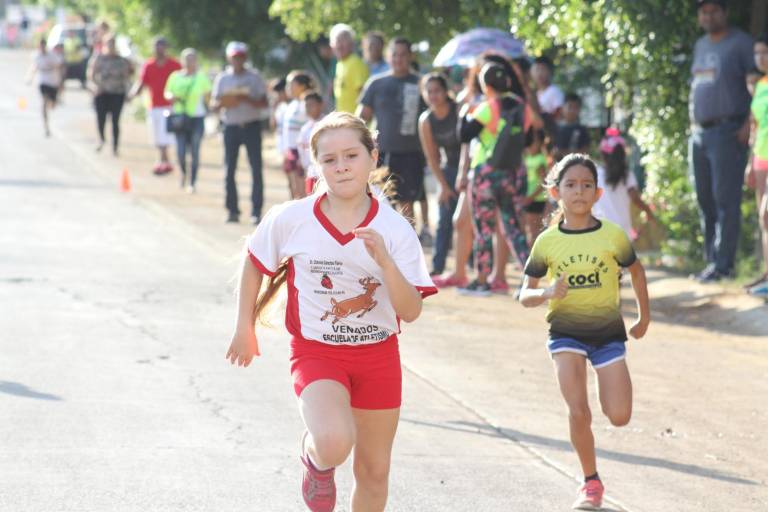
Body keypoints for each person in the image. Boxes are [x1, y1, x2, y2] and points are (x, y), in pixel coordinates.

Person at [226, 111, 436, 512]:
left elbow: (410, 311)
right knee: (334, 442)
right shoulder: (292, 218)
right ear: (316, 165)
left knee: (374, 472)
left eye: (352, 155)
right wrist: (244, 327)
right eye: (329, 159)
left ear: (373, 156)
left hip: (378, 357)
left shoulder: (395, 229)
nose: (341, 167)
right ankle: (315, 460)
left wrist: (386, 263)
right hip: (317, 352)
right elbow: (254, 261)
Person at [519, 153, 650, 511]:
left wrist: (643, 317)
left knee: (619, 415)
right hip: (565, 333)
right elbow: (524, 294)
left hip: (608, 334)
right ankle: (591, 482)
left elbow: (637, 273)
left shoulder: (612, 236)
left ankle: (606, 384)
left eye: (586, 185)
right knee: (579, 411)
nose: (579, 191)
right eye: (571, 185)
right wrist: (546, 293)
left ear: (598, 193)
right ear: (555, 191)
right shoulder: (546, 241)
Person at [689, 0, 753, 282]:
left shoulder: (741, 43)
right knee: (705, 199)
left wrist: (748, 124)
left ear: (725, 13)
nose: (709, 15)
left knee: (725, 199)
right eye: (704, 11)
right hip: (699, 132)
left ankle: (724, 265)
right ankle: (711, 262)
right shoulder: (701, 45)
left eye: (714, 10)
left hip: (728, 131)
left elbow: (757, 84)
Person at [456, 62, 533, 296]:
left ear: (486, 85)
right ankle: (531, 276)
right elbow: (528, 141)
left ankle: (482, 279)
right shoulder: (523, 108)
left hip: (485, 176)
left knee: (484, 228)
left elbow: (463, 135)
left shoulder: (488, 107)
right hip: (512, 174)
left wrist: (464, 111)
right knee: (513, 229)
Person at [358, 37, 425, 223]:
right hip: (381, 154)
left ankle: (408, 248)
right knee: (380, 203)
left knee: (407, 206)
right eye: (395, 54)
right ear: (388, 56)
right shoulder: (376, 83)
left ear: (411, 56)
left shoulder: (421, 84)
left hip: (411, 153)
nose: (399, 59)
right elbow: (361, 119)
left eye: (403, 55)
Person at [211, 41, 269, 224]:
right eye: (234, 57)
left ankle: (256, 211)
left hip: (251, 125)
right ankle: (232, 210)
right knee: (229, 170)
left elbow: (264, 103)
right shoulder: (222, 78)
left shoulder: (254, 78)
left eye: (240, 57)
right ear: (229, 58)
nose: (237, 60)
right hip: (231, 127)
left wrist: (246, 99)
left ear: (245, 57)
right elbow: (213, 105)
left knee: (256, 169)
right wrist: (223, 102)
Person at [418, 72, 461, 275]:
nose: (433, 95)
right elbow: (432, 156)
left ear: (445, 92)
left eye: (437, 90)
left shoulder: (459, 110)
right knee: (444, 219)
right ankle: (438, 266)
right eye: (429, 91)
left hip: (468, 169)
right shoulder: (426, 120)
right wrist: (443, 186)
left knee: (469, 220)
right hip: (448, 171)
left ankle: (473, 263)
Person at [129, 36, 181, 175]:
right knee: (156, 135)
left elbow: (182, 80)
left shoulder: (174, 65)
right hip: (154, 105)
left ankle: (165, 162)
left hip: (169, 105)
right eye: (157, 46)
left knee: (165, 134)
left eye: (162, 46)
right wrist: (132, 94)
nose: (160, 49)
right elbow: (142, 82)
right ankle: (162, 161)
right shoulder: (149, 65)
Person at [592, 128, 656, 239]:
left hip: (600, 229)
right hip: (622, 230)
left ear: (603, 155)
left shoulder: (595, 174)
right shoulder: (627, 175)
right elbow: (635, 198)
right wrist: (647, 210)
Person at [164, 48, 211, 193]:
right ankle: (183, 173)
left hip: (197, 118)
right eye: (187, 59)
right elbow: (167, 92)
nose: (190, 62)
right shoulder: (175, 76)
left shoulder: (201, 77)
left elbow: (208, 94)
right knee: (181, 151)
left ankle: (193, 181)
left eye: (192, 59)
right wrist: (171, 97)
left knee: (195, 151)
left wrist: (208, 108)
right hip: (180, 117)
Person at [745, 34, 768, 297]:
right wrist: (751, 163)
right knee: (764, 220)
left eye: (765, 52)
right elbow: (755, 125)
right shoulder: (759, 84)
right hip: (761, 156)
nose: (760, 58)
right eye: (757, 53)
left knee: (767, 213)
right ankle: (766, 273)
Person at [88, 35, 133, 156]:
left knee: (115, 121)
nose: (111, 46)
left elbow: (126, 78)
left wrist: (129, 93)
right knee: (101, 119)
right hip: (102, 93)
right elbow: (91, 75)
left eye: (112, 44)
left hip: (117, 93)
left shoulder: (121, 60)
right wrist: (95, 87)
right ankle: (101, 139)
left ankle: (115, 146)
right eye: (108, 44)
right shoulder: (99, 58)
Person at [282, 71, 314, 199]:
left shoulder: (306, 105)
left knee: (301, 191)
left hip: (300, 153)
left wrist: (303, 155)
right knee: (292, 188)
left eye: (291, 85)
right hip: (289, 150)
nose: (287, 88)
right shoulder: (292, 104)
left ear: (302, 86)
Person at [26, 38, 65, 137]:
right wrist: (30, 78)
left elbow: (60, 66)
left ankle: (51, 103)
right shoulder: (36, 56)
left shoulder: (52, 56)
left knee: (52, 105)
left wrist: (61, 82)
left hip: (53, 81)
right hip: (43, 81)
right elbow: (34, 67)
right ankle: (46, 126)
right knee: (44, 103)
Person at [330, 24, 369, 114]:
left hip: (355, 123)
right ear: (331, 45)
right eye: (337, 41)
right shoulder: (340, 64)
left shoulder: (356, 63)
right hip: (344, 122)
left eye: (343, 41)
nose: (339, 45)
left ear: (352, 44)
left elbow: (364, 98)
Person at [522, 129, 550, 244]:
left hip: (535, 199)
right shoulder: (526, 157)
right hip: (528, 198)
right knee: (530, 230)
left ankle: (533, 258)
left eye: (535, 141)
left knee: (533, 232)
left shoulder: (540, 160)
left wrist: (530, 197)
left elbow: (543, 183)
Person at [297, 91, 325, 195]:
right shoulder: (305, 128)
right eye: (306, 106)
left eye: (311, 105)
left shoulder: (327, 125)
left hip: (324, 174)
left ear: (321, 105)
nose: (308, 108)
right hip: (311, 173)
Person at [553, 93, 591, 161]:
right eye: (570, 107)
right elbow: (553, 152)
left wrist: (564, 153)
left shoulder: (582, 130)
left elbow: (585, 152)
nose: (572, 111)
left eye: (576, 107)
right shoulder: (555, 129)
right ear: (562, 108)